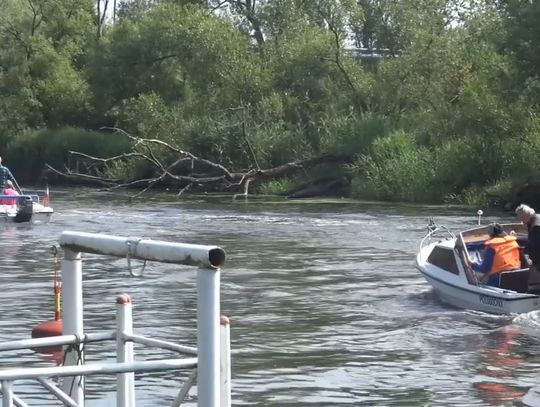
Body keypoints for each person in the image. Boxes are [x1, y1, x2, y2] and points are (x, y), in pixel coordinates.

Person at [515, 204, 540, 294]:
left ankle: (532, 295)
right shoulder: (537, 219)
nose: (521, 222)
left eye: (521, 219)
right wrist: (517, 238)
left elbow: (534, 245)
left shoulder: (536, 226)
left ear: (525, 215)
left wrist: (530, 259)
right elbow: (531, 239)